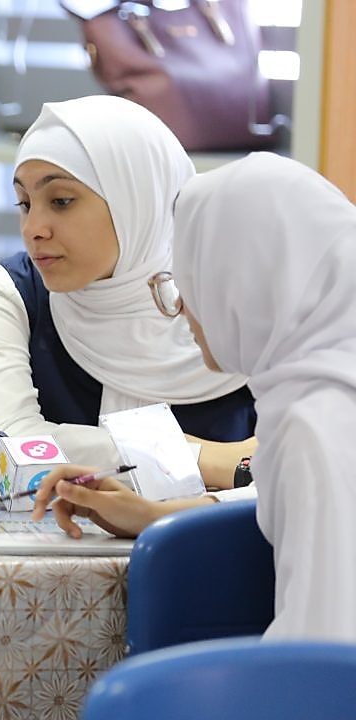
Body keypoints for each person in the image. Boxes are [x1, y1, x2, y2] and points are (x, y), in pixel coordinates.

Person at [33, 152, 356, 642]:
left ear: (247, 282)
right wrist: (151, 516)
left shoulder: (314, 423)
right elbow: (264, 497)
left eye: (193, 279)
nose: (181, 307)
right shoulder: (321, 388)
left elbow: (321, 655)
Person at [0, 95, 256, 487]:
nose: (34, 227)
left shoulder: (234, 302)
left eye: (61, 201)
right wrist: (202, 458)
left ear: (138, 200)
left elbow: (293, 467)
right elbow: (5, 442)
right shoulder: (8, 291)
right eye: (24, 203)